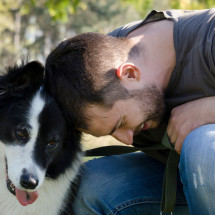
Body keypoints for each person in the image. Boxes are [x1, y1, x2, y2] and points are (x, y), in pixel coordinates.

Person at [44, 8, 215, 215]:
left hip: (206, 164)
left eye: (120, 123)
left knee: (203, 146)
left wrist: (208, 110)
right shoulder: (91, 65)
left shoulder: (209, 36)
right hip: (185, 181)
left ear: (130, 73)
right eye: (110, 133)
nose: (127, 139)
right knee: (89, 187)